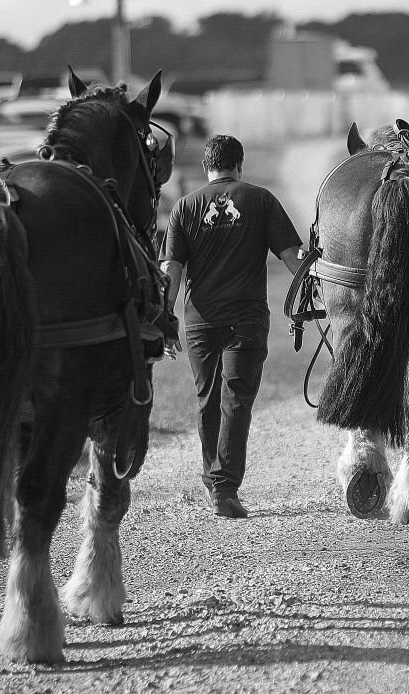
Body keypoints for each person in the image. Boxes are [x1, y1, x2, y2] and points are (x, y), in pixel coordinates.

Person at [159, 135, 304, 519]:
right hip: (247, 320)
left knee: (208, 398)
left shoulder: (184, 207)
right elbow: (293, 257)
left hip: (199, 323)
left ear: (208, 167)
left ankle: (216, 481)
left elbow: (170, 269)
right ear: (239, 164)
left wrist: (165, 320)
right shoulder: (260, 200)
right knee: (236, 399)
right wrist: (314, 297)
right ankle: (223, 488)